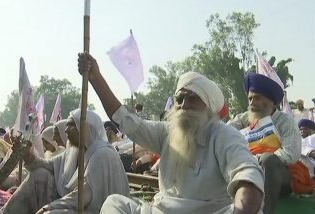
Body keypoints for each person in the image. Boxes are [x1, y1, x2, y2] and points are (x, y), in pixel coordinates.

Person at [78, 53, 264, 214]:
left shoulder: (224, 135)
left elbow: (247, 175)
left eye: (192, 99)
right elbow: (125, 119)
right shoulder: (166, 132)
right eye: (179, 99)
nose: (184, 105)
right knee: (115, 203)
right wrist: (96, 78)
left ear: (208, 106)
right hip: (161, 211)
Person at [0, 109, 129, 214]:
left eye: (71, 125)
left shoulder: (101, 154)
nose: (65, 130)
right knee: (39, 175)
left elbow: (82, 197)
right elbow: (49, 166)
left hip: (94, 209)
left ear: (85, 128)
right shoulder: (74, 151)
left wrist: (49, 207)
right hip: (72, 203)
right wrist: (27, 155)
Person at [227, 72, 302, 214]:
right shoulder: (243, 119)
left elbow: (291, 154)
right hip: (250, 172)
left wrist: (259, 159)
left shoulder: (285, 121)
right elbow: (224, 132)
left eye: (257, 98)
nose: (251, 103)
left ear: (271, 101)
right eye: (250, 98)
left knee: (268, 159)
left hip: (279, 176)